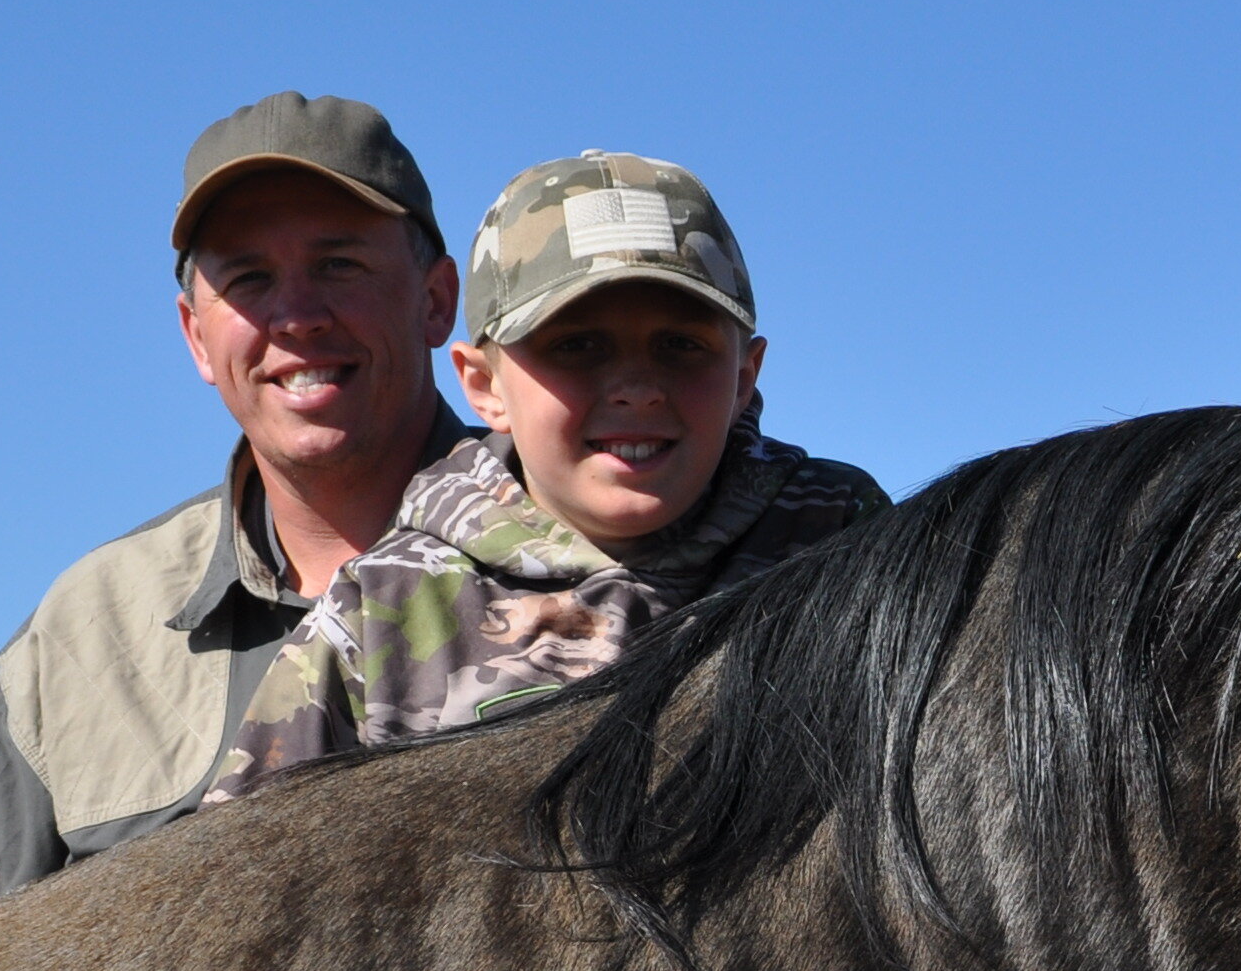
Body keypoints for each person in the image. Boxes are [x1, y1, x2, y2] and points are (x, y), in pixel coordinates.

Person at [0, 91, 465, 938]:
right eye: (249, 280)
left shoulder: (584, 564)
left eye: (339, 265)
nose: (297, 317)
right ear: (196, 338)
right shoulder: (96, 623)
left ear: (436, 300)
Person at [201, 149, 884, 798]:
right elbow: (238, 887)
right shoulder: (383, 608)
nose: (638, 389)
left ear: (744, 376)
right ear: (483, 384)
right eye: (576, 345)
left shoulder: (844, 543)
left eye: (682, 345)